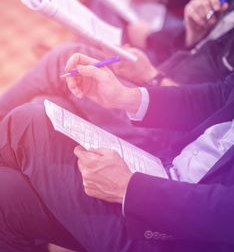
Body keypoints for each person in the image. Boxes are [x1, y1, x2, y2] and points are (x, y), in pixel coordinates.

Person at [1, 54, 234, 251]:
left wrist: (130, 189)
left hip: (180, 231)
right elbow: (223, 95)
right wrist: (125, 97)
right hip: (163, 170)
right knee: (5, 193)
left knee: (28, 123)